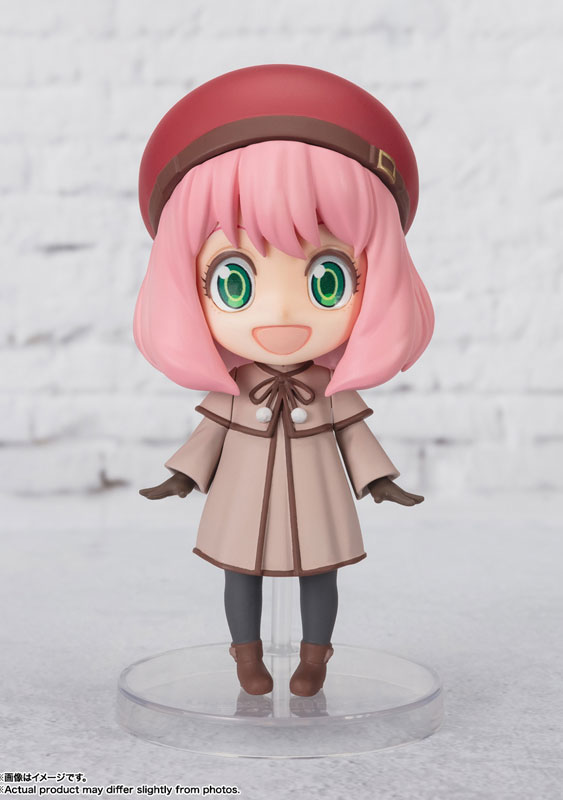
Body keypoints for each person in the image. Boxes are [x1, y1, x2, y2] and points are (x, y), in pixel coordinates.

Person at [134, 65, 434, 697]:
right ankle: (246, 657)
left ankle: (314, 657)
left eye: (327, 279)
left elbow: (354, 437)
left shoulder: (330, 385)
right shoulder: (234, 383)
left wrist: (379, 481)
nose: (281, 312)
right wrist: (182, 476)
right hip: (241, 496)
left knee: (320, 571)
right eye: (234, 281)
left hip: (318, 492)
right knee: (238, 570)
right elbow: (208, 438)